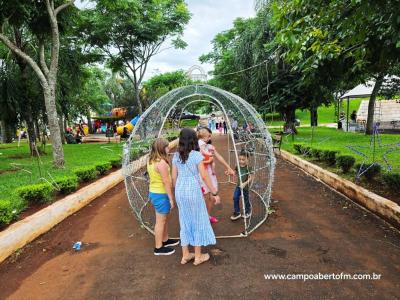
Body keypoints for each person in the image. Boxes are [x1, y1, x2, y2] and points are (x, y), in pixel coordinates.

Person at [172, 128, 220, 266]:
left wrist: (178, 192)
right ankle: (198, 256)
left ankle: (185, 255)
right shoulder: (196, 155)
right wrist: (214, 192)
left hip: (180, 190)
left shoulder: (176, 156)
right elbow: (204, 176)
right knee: (198, 220)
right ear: (193, 140)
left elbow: (174, 177)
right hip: (193, 189)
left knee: (184, 220)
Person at [147, 138, 179, 256]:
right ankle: (158, 247)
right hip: (161, 194)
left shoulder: (151, 160)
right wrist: (171, 198)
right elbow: (166, 182)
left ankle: (165, 240)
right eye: (167, 147)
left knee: (163, 219)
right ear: (162, 148)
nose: (168, 148)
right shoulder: (161, 163)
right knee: (160, 221)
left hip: (155, 193)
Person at [198, 127, 235, 223]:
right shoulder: (197, 147)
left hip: (210, 174)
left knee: (210, 197)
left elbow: (219, 157)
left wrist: (228, 167)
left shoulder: (209, 147)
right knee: (204, 197)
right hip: (202, 175)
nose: (209, 138)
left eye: (210, 136)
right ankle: (201, 218)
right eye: (208, 136)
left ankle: (207, 216)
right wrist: (209, 158)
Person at [231, 150, 254, 221]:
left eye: (243, 159)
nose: (241, 161)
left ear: (247, 159)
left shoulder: (249, 167)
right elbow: (234, 172)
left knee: (246, 199)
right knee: (235, 197)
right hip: (238, 185)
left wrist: (244, 183)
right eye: (240, 159)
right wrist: (230, 173)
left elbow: (251, 177)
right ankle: (237, 212)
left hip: (245, 187)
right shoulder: (238, 166)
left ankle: (248, 211)